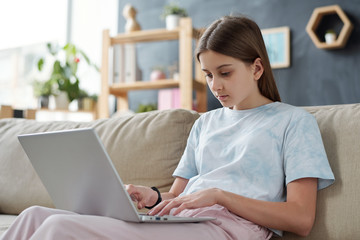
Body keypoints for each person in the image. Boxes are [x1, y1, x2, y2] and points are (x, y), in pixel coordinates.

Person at [1, 15, 334, 240]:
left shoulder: (294, 123)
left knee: (59, 227)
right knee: (32, 215)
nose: (215, 85)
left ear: (257, 67)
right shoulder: (206, 123)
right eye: (207, 74)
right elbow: (177, 196)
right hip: (183, 220)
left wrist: (219, 196)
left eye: (225, 72)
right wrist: (151, 196)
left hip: (225, 230)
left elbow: (301, 218)